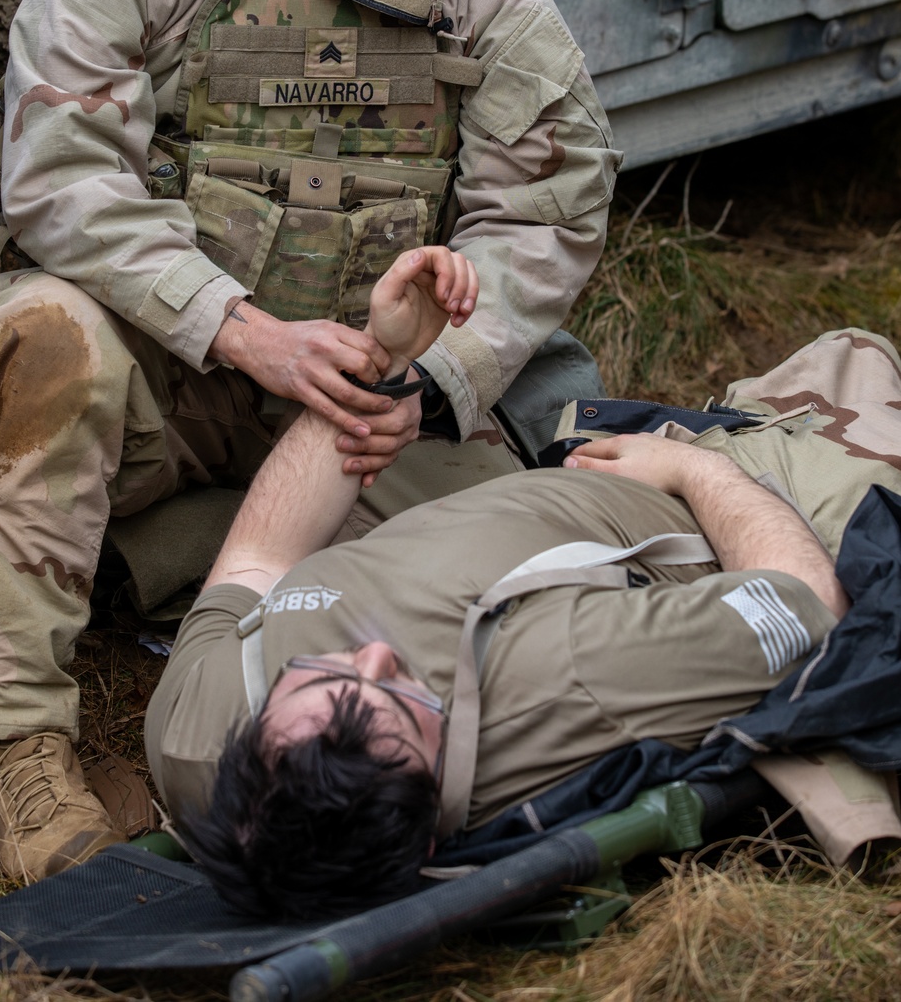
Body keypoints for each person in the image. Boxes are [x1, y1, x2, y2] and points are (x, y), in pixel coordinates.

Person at [0, 0, 618, 883]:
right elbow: (63, 183)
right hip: (169, 383)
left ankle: (176, 570)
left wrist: (428, 381)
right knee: (33, 353)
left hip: (363, 395)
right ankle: (22, 743)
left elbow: (548, 199)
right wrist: (239, 330)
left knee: (553, 553)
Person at [145, 319, 901, 921]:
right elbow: (806, 602)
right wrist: (693, 471)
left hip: (485, 504)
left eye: (318, 677)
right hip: (720, 509)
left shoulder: (194, 733)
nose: (371, 658)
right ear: (435, 817)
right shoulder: (571, 679)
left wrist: (385, 361)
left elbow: (256, 558)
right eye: (404, 702)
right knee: (854, 356)